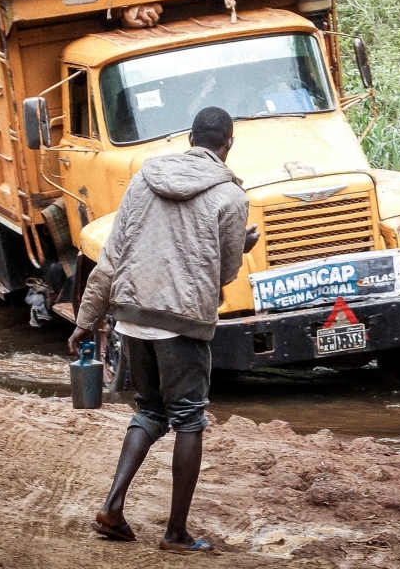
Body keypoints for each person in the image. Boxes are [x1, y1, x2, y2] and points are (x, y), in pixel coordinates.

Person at [72, 107, 257, 554]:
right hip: (181, 323)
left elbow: (111, 256)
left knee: (150, 411)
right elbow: (226, 271)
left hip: (133, 316)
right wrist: (243, 245)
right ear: (227, 145)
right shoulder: (231, 197)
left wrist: (85, 319)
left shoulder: (142, 179)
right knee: (189, 419)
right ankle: (175, 533)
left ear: (189, 138)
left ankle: (113, 508)